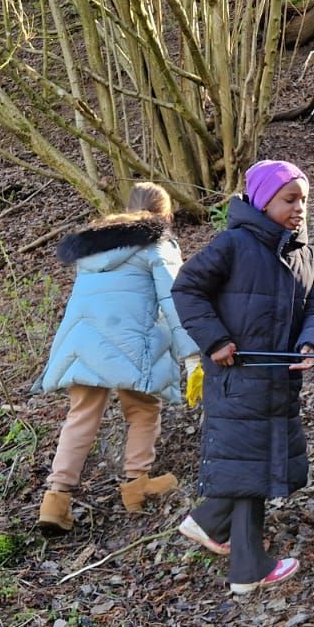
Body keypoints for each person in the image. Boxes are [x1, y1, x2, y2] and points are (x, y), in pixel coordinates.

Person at [171, 161, 314, 594]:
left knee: (253, 465)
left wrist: (311, 344)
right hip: (235, 379)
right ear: (262, 202)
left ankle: (229, 547)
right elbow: (187, 288)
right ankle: (231, 547)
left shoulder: (306, 255)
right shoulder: (233, 244)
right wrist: (216, 339)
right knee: (248, 465)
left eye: (304, 200)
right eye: (289, 199)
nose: (299, 208)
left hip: (279, 382)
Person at [34, 182, 201, 535]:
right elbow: (176, 299)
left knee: (81, 415)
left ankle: (56, 498)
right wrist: (191, 354)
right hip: (129, 341)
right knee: (143, 409)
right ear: (165, 214)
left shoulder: (95, 246)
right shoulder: (158, 244)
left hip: (82, 342)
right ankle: (136, 484)